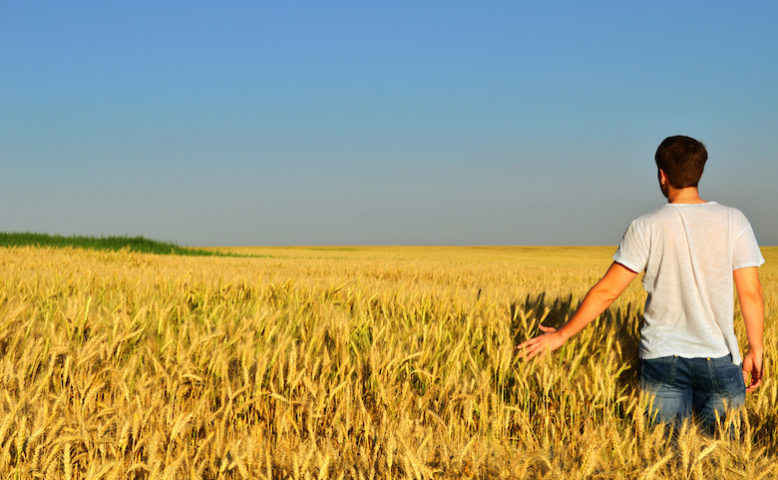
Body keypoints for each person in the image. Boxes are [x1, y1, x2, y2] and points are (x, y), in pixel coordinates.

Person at [517, 135, 765, 432]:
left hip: (662, 359)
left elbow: (607, 291)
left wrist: (561, 336)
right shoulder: (734, 220)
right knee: (723, 458)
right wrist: (756, 349)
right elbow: (751, 293)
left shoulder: (646, 225)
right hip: (720, 357)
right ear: (700, 171)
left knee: (663, 459)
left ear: (662, 175)